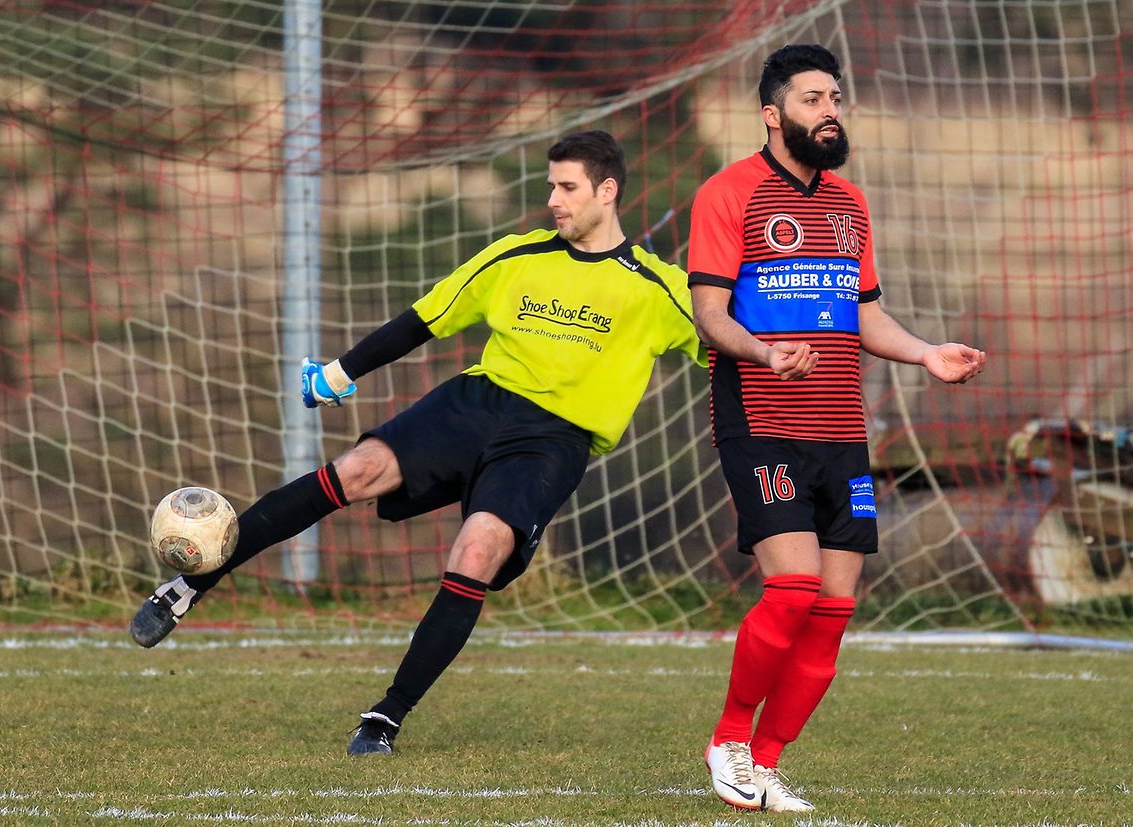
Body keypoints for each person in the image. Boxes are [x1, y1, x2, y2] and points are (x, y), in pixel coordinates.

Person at [130, 129, 706, 756]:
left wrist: (785, 365)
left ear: (608, 190)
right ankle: (190, 586)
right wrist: (338, 373)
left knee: (478, 549)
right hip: (477, 403)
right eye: (550, 187)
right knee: (357, 469)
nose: (554, 200)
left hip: (552, 440)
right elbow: (422, 320)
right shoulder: (514, 257)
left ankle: (386, 715)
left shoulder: (660, 288)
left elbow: (726, 349)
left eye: (567, 188)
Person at [687, 44, 985, 813]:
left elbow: (864, 315)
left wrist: (926, 354)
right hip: (761, 420)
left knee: (835, 609)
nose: (830, 111)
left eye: (836, 98)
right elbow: (710, 314)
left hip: (840, 428)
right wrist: (764, 350)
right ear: (772, 113)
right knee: (790, 588)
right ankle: (727, 739)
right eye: (813, 98)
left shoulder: (850, 205)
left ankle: (765, 761)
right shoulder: (728, 193)